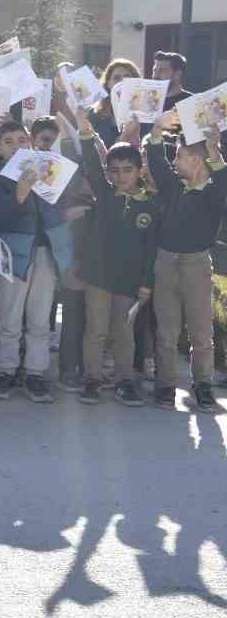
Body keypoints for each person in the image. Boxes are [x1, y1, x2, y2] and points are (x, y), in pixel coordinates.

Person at [0, 119, 74, 403]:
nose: (17, 147)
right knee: (9, 315)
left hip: (45, 251)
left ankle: (35, 372)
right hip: (13, 253)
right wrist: (21, 191)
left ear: (30, 143)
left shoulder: (46, 170)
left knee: (40, 317)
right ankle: (6, 369)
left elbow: (62, 204)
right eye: (9, 143)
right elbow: (0, 217)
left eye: (21, 141)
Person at [74, 108, 157, 408]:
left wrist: (146, 282)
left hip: (128, 282)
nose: (121, 176)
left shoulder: (150, 205)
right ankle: (92, 380)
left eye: (128, 170)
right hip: (98, 277)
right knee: (96, 330)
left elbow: (151, 249)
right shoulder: (105, 194)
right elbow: (92, 164)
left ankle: (125, 381)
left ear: (140, 170)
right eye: (115, 170)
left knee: (124, 334)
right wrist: (84, 129)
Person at [145, 111, 225, 412]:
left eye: (179, 156)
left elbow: (225, 184)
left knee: (201, 331)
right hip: (166, 262)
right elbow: (155, 161)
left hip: (197, 264)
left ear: (195, 159)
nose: (174, 162)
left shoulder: (215, 192)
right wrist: (156, 129)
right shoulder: (173, 187)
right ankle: (165, 385)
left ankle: (203, 385)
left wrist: (215, 152)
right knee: (166, 330)